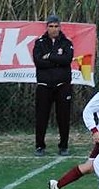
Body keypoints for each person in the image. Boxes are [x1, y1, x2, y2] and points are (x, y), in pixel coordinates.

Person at [32, 14, 73, 157]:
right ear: (47, 27)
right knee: (41, 116)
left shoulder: (66, 42)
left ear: (60, 27)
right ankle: (39, 146)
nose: (53, 29)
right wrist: (57, 60)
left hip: (63, 85)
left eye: (56, 26)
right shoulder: (40, 42)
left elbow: (67, 59)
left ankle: (63, 146)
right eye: (51, 26)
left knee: (63, 117)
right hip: (44, 85)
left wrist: (49, 56)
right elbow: (38, 62)